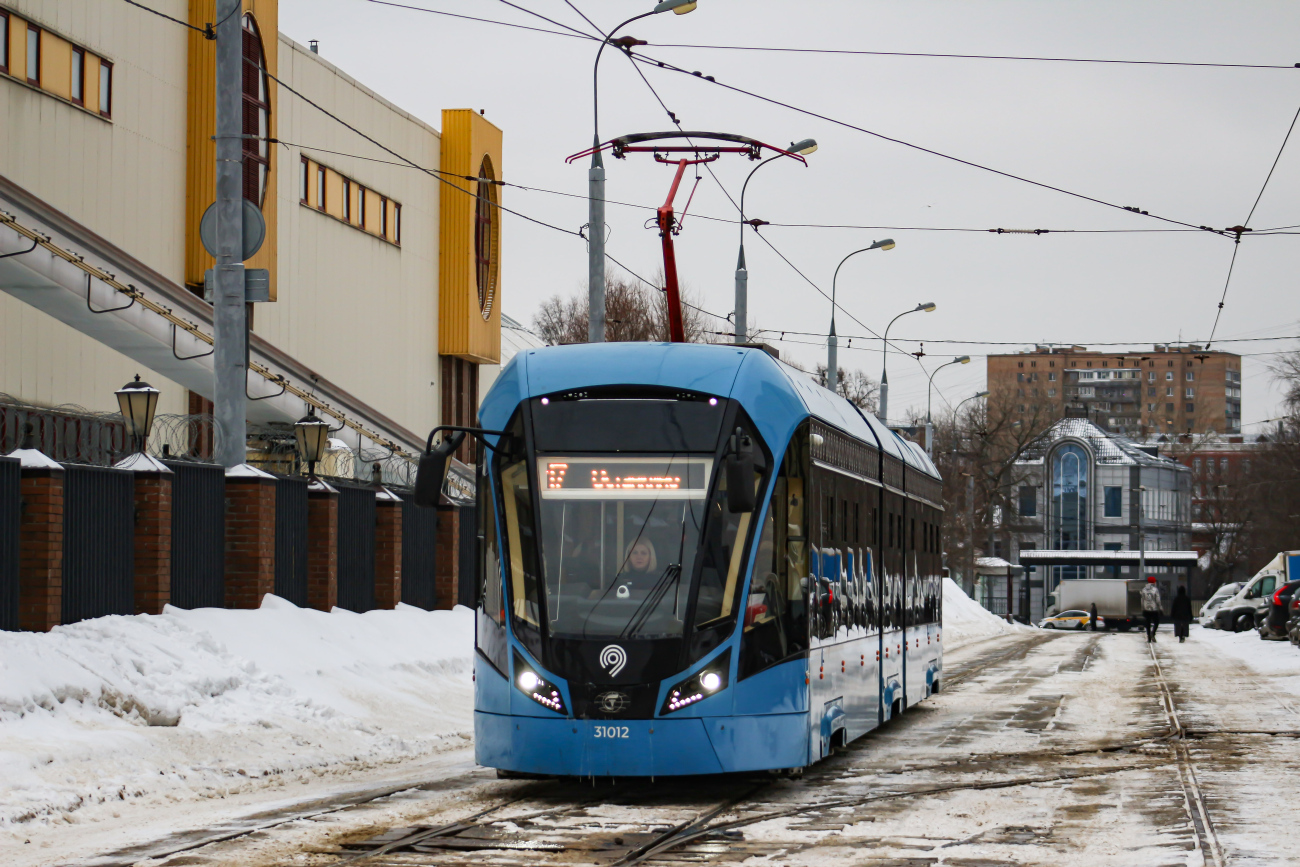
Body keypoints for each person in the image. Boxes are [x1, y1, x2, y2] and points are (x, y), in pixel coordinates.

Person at [1141, 576, 1162, 642]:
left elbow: (1142, 600)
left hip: (1146, 609)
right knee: (1156, 622)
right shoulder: (1155, 590)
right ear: (1154, 582)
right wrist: (1160, 607)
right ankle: (1153, 633)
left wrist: (1142, 608)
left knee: (1148, 623)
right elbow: (1158, 600)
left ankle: (1149, 636)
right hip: (1154, 609)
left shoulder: (1143, 589)